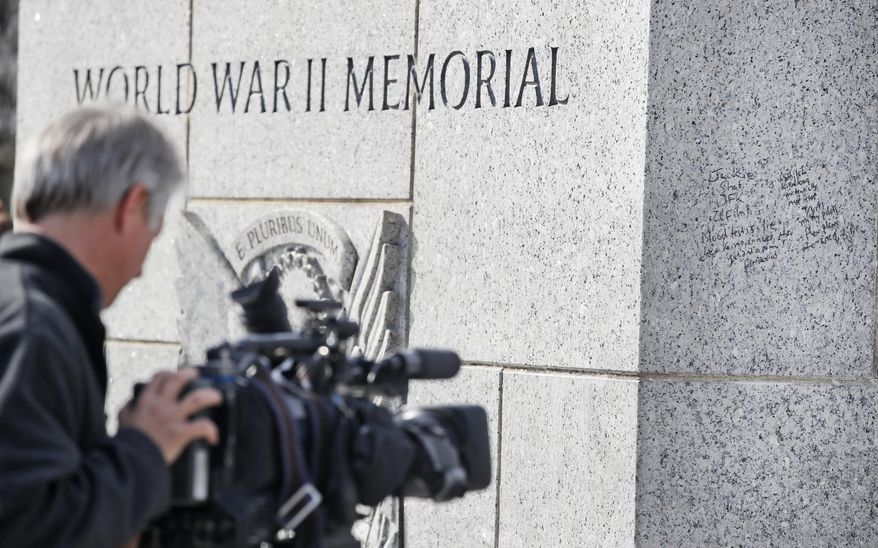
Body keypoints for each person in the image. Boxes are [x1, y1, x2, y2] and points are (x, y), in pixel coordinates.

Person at [0, 106, 222, 547]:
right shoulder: (34, 327)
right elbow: (30, 529)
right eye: (155, 226)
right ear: (133, 205)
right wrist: (145, 449)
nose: (141, 270)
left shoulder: (23, 304)